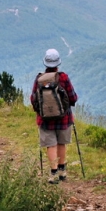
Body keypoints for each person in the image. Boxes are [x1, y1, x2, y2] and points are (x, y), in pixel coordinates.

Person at [30, 48, 78, 184]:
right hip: (64, 118)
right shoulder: (63, 77)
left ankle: (53, 173)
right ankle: (62, 172)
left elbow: (33, 99)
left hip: (45, 120)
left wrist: (40, 111)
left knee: (51, 145)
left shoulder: (39, 79)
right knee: (61, 143)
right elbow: (73, 97)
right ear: (58, 63)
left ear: (45, 63)